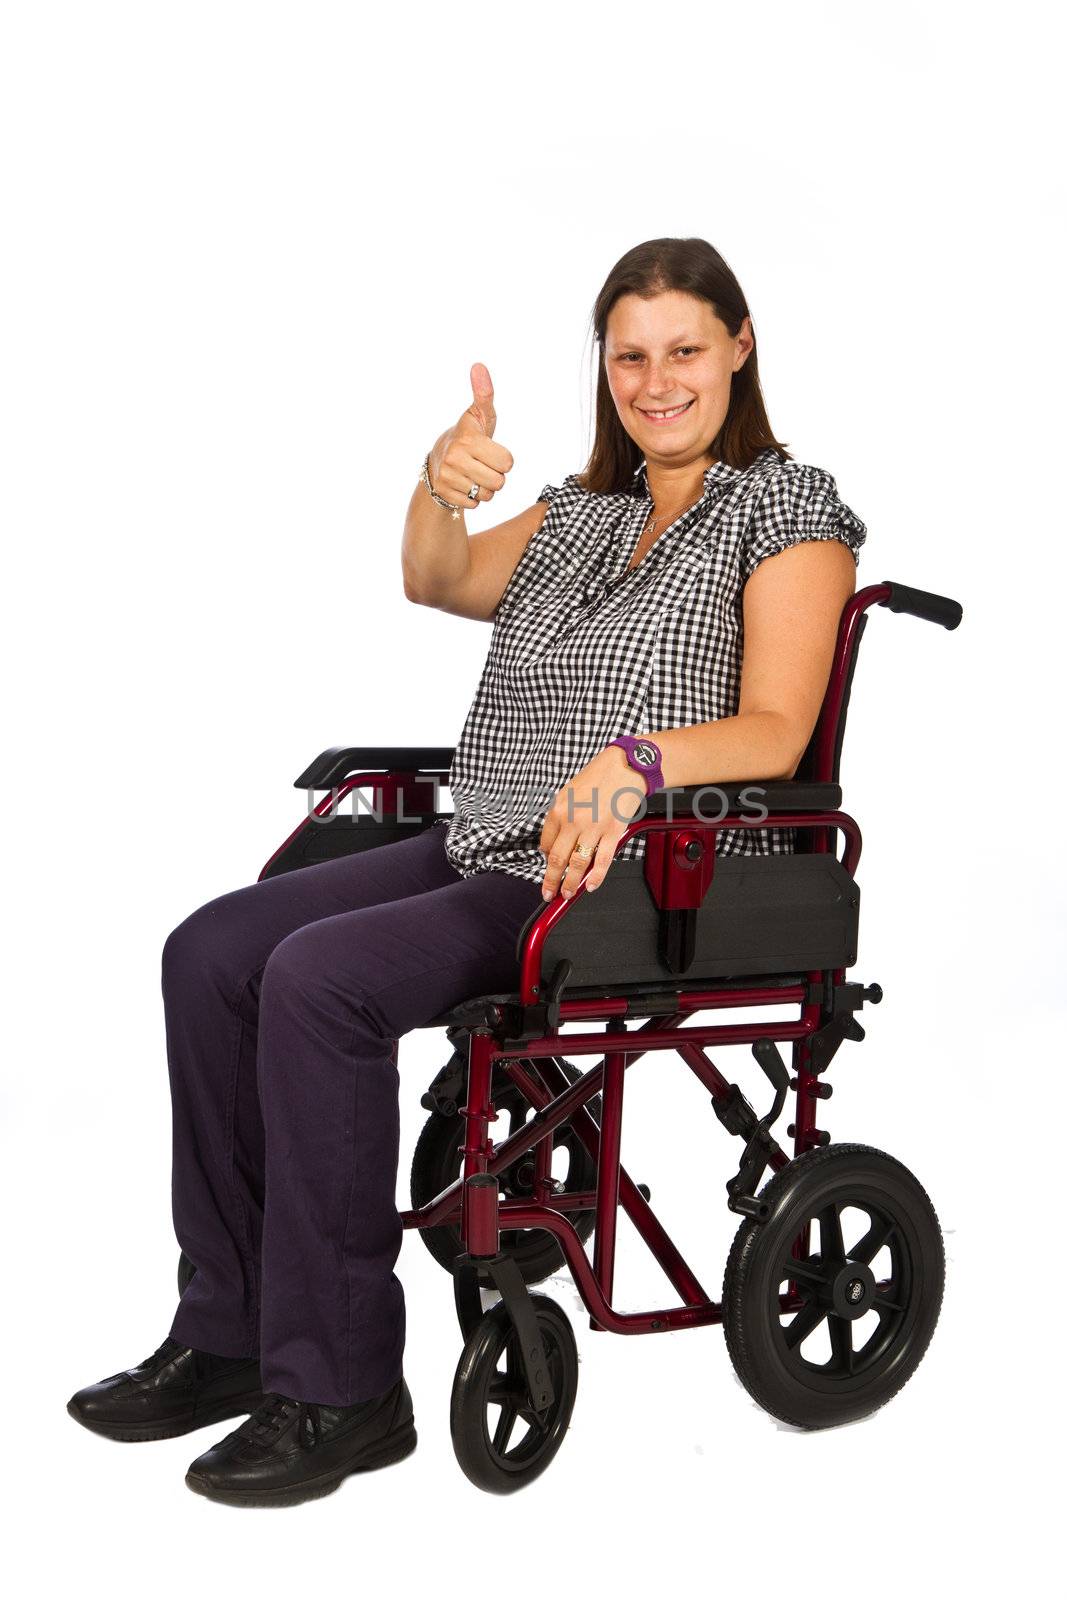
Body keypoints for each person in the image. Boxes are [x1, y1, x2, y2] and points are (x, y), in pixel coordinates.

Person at [66, 235, 867, 1507]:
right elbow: (432, 576)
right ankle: (226, 1332)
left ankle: (341, 1391)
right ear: (603, 368)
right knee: (210, 950)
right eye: (629, 357)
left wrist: (637, 761)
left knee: (319, 981)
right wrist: (437, 488)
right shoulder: (580, 511)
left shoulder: (785, 507)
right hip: (479, 835)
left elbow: (774, 726)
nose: (655, 381)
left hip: (622, 874)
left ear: (738, 348)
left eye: (683, 351)